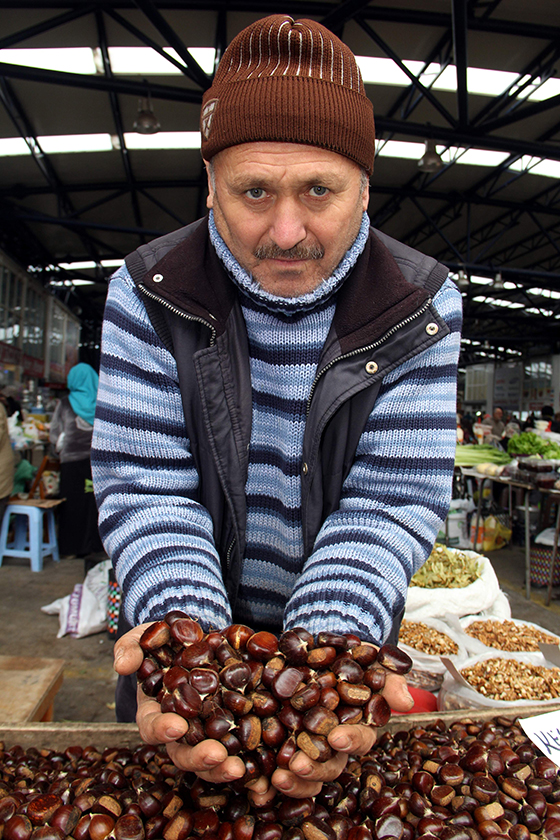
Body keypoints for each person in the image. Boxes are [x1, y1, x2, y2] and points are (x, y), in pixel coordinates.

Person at [92, 15, 462, 800]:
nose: (286, 232)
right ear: (210, 184)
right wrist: (191, 656)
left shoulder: (420, 306)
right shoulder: (149, 292)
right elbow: (147, 486)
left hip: (339, 638)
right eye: (253, 191)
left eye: (319, 191)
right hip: (186, 630)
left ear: (365, 186)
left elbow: (390, 499)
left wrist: (326, 659)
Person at [50, 363, 103, 559]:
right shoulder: (102, 401)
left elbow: (55, 434)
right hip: (96, 462)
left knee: (72, 505)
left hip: (71, 463)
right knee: (94, 504)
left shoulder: (65, 403)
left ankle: (72, 548)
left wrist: (56, 450)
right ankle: (96, 545)